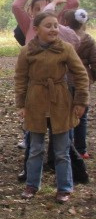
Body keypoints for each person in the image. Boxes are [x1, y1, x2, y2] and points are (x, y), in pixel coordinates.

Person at [15, 11, 90, 203]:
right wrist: (21, 104)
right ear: (36, 29)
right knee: (35, 148)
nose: (53, 29)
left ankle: (64, 187)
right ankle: (32, 185)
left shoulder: (66, 48)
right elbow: (21, 78)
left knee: (62, 151)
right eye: (48, 26)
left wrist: (80, 101)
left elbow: (81, 75)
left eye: (56, 25)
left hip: (60, 102)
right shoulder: (27, 51)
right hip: (36, 102)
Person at [63, 8, 96, 159]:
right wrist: (92, 77)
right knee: (82, 117)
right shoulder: (89, 39)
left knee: (67, 114)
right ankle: (81, 149)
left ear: (67, 21)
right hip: (84, 79)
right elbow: (94, 61)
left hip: (67, 78)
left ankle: (67, 148)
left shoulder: (64, 37)